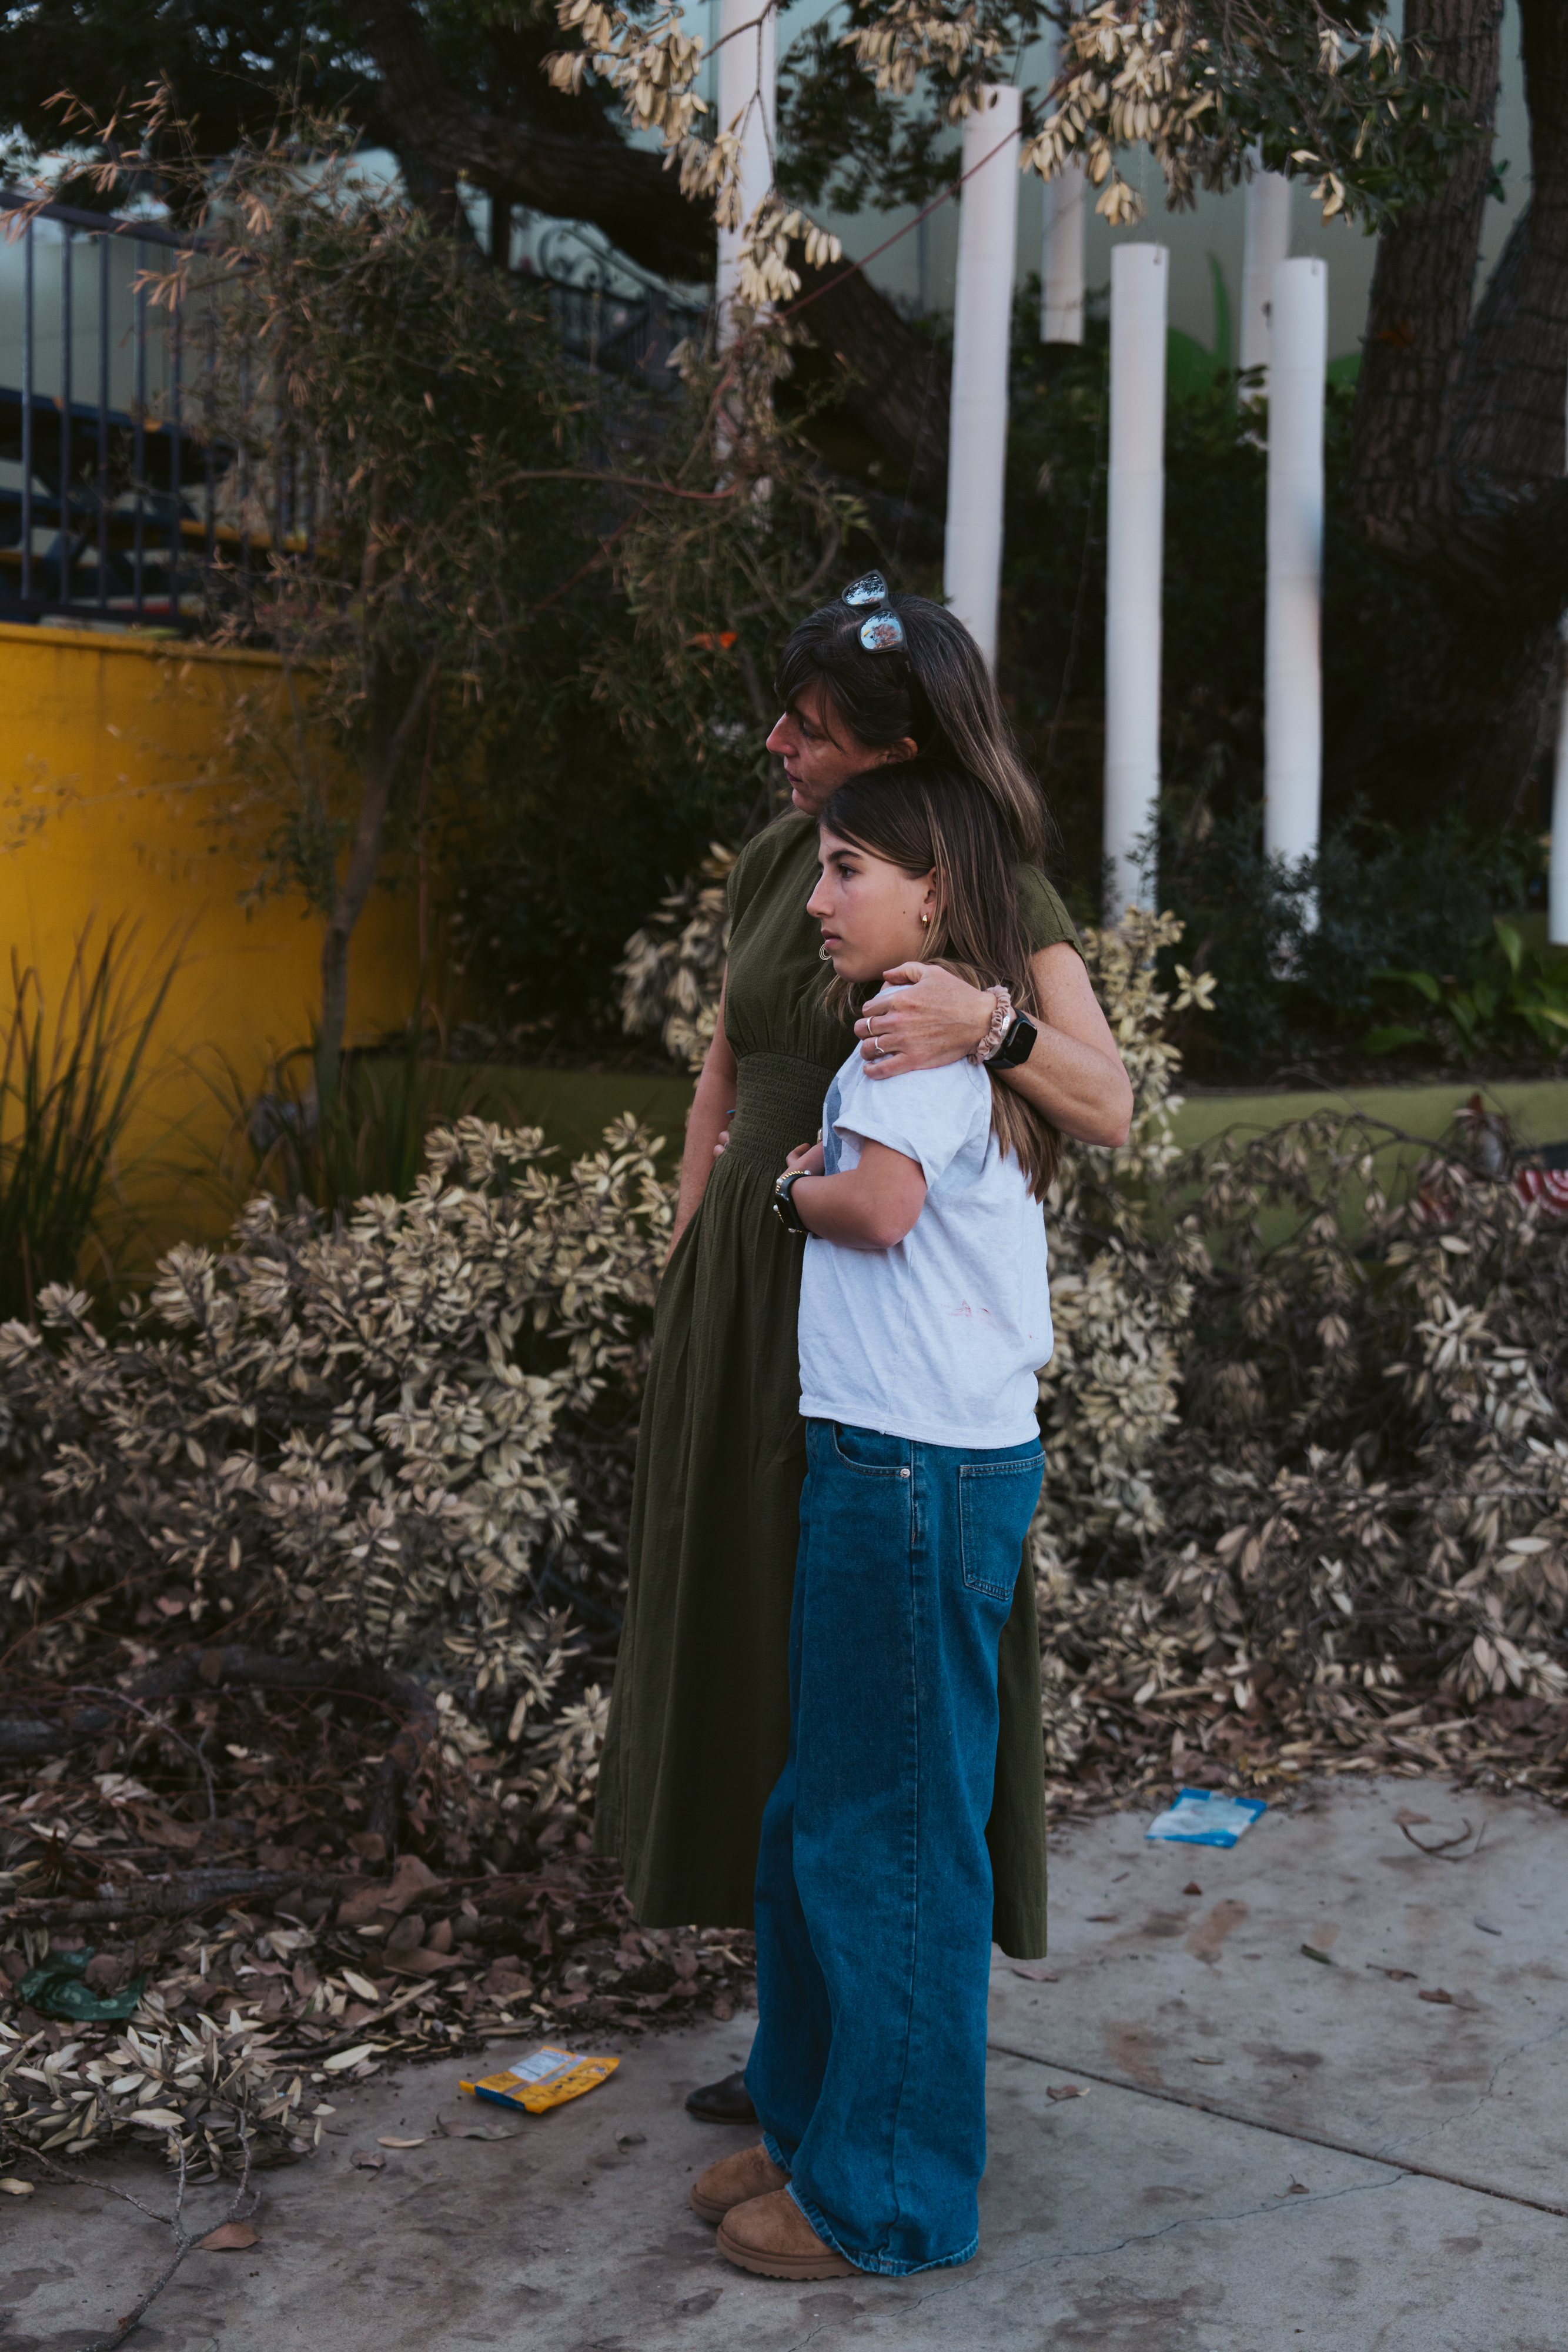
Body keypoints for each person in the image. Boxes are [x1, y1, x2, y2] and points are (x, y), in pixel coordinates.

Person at [591, 572, 1132, 2117]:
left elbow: (1106, 1105)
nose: (775, 743)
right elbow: (728, 1067)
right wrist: (688, 1254)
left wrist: (992, 1030)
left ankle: (875, 2079)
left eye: (809, 730)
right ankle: (803, 2048)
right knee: (764, 1659)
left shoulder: (980, 889)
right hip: (747, 1296)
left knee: (870, 1689)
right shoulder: (786, 865)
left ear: (898, 748)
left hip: (873, 1328)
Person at [691, 759, 1063, 2280]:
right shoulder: (906, 1029)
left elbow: (882, 1210)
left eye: (847, 868)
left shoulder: (917, 1031)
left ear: (931, 892)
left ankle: (887, 2197)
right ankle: (811, 2123)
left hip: (913, 1477)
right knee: (822, 1816)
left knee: (889, 1838)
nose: (817, 895)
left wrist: (785, 1189)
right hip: (881, 1463)